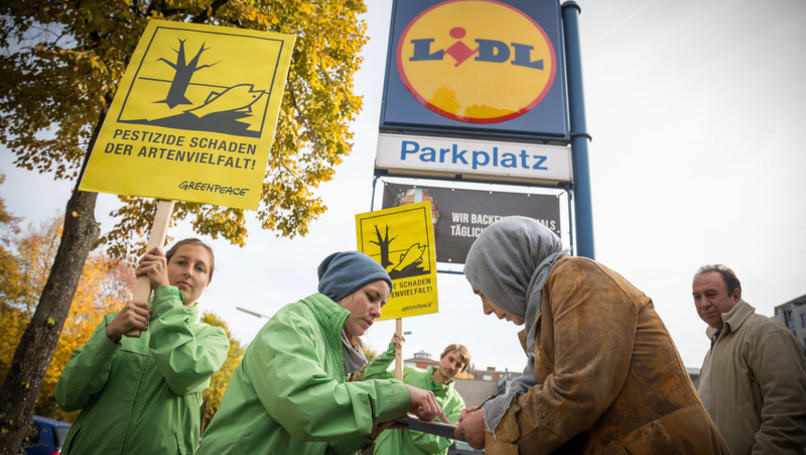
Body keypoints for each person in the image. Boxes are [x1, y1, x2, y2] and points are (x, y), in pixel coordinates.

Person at [455, 216, 730, 454]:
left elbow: (577, 393)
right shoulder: (547, 310)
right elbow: (543, 390)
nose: (486, 310)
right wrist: (489, 412)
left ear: (504, 269)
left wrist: (494, 428)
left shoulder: (575, 276)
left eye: (482, 293)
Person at [197, 251, 448, 454]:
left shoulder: (335, 351)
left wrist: (368, 429)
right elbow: (303, 407)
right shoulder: (293, 322)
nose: (378, 311)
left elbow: (319, 441)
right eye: (372, 297)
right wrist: (397, 393)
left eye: (382, 304)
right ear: (342, 288)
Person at [55, 238, 230, 454]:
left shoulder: (211, 338)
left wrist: (165, 294)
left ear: (207, 282)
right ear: (163, 267)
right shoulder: (116, 323)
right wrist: (108, 337)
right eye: (181, 262)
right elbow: (68, 396)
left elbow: (183, 371)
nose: (189, 272)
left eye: (200, 268)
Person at [692, 264, 806, 454]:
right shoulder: (713, 349)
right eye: (697, 297)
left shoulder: (766, 334)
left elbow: (788, 414)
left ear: (736, 295)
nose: (703, 303)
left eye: (711, 294)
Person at [364, 333, 469, 455]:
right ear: (441, 357)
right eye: (450, 359)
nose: (452, 366)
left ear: (462, 371)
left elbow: (438, 443)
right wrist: (392, 351)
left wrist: (413, 419)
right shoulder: (408, 373)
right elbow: (372, 379)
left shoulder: (457, 405)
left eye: (458, 365)